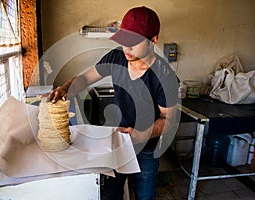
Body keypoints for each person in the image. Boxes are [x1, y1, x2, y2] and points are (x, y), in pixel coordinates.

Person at [47, 6, 179, 200]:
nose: (127, 48)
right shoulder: (116, 57)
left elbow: (169, 119)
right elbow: (85, 79)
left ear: (153, 41)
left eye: (134, 43)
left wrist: (142, 134)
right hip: (116, 143)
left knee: (145, 195)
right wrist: (65, 88)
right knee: (110, 194)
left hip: (146, 149)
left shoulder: (164, 76)